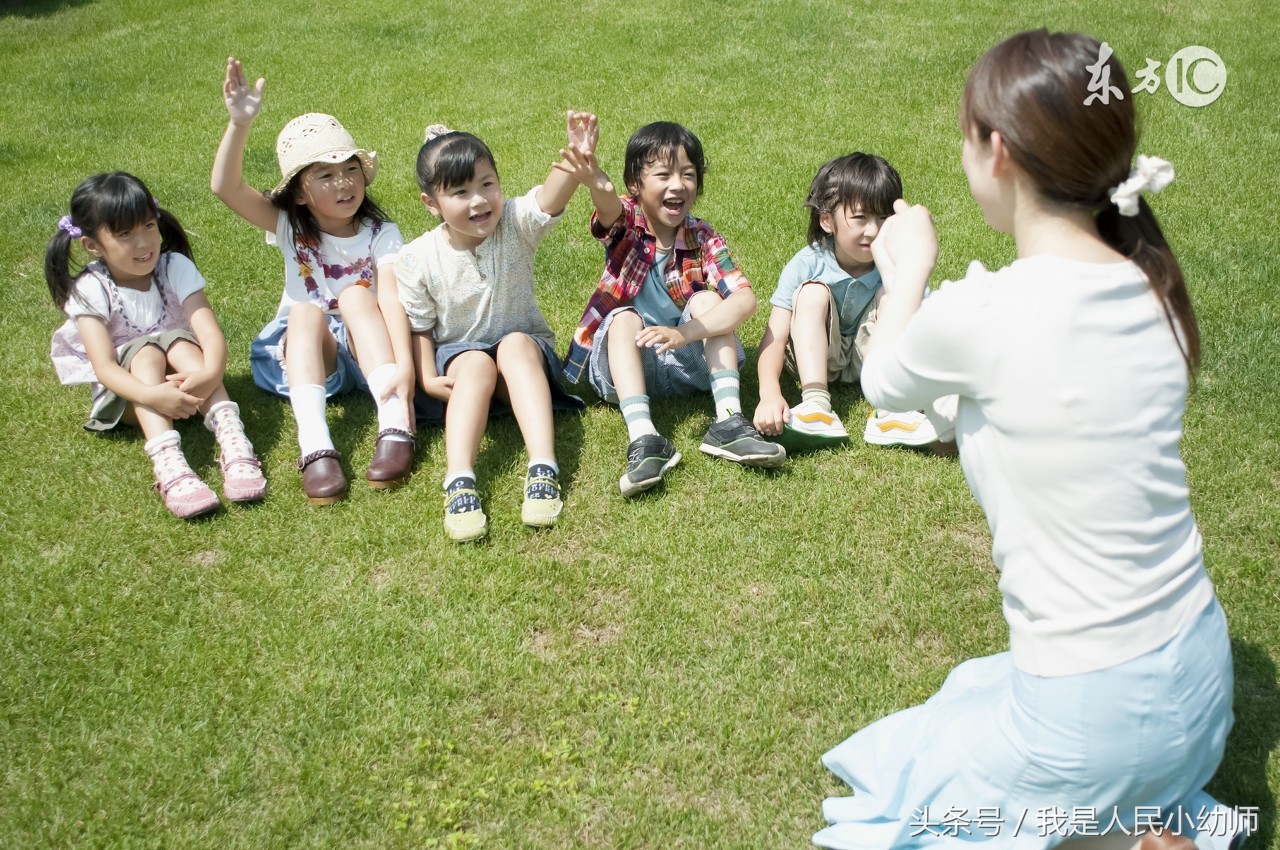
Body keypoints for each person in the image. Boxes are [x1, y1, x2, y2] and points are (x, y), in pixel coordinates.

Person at [814, 30, 1242, 850]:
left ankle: (1111, 834)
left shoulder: (986, 312)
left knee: (913, 782)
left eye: (967, 134)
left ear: (998, 150)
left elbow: (883, 384)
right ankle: (1131, 823)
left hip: (1091, 717)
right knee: (973, 694)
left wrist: (907, 272)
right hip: (1198, 685)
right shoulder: (1153, 281)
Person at [211, 56, 415, 505]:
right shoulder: (288, 225)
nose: (343, 183)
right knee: (304, 311)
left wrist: (405, 369)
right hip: (307, 355)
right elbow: (225, 187)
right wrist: (240, 123)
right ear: (300, 192)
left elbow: (393, 299)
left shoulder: (383, 234)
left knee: (359, 298)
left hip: (370, 355)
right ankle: (316, 445)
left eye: (350, 169)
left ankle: (396, 422)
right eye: (325, 175)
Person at [560, 119, 784, 497]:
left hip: (685, 364)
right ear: (636, 186)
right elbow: (609, 208)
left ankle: (728, 422)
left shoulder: (702, 236)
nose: (678, 185)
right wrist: (594, 174)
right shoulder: (627, 224)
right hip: (628, 364)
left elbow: (745, 299)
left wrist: (685, 333)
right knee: (623, 317)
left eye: (688, 175)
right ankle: (645, 439)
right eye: (663, 174)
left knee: (708, 300)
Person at [395, 116, 588, 542]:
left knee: (515, 344)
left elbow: (547, 201)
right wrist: (426, 375)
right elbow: (420, 325)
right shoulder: (416, 258)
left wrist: (573, 162)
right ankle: (459, 479)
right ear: (432, 203)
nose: (479, 200)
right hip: (464, 369)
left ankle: (543, 466)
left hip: (523, 364)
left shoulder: (514, 225)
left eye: (487, 184)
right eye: (460, 192)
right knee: (474, 363)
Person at [47, 172, 266, 519]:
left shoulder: (174, 266)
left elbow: (209, 334)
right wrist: (153, 396)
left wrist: (211, 373)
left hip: (191, 386)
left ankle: (233, 440)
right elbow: (104, 368)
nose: (143, 242)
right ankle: (171, 467)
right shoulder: (90, 288)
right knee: (146, 351)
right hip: (132, 397)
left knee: (181, 343)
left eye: (149, 225)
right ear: (92, 245)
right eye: (124, 234)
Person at [752, 153, 953, 451]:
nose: (872, 230)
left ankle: (891, 410)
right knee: (812, 293)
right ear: (826, 220)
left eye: (883, 218)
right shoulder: (807, 263)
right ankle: (816, 405)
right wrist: (769, 394)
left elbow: (923, 325)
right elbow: (775, 336)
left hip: (871, 359)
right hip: (814, 354)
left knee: (894, 294)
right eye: (860, 218)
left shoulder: (898, 263)